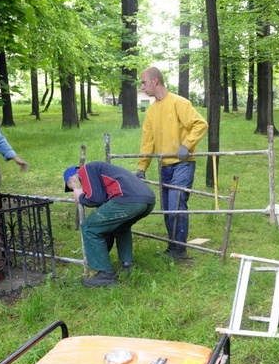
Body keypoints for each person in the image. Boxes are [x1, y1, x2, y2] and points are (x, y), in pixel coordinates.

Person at [137, 67, 208, 260]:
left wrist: (187, 144)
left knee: (176, 204)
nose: (141, 86)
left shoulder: (179, 103)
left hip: (183, 164)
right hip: (164, 166)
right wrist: (142, 167)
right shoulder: (152, 111)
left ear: (155, 81)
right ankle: (173, 247)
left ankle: (179, 251)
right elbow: (147, 141)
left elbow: (200, 124)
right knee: (168, 209)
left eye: (143, 82)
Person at [64, 162, 156, 287]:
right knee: (120, 227)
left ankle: (105, 275)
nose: (73, 191)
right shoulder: (100, 171)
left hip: (128, 199)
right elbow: (102, 200)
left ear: (72, 179)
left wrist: (80, 196)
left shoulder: (86, 169)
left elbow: (96, 199)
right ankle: (127, 266)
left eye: (71, 187)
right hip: (147, 199)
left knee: (89, 227)